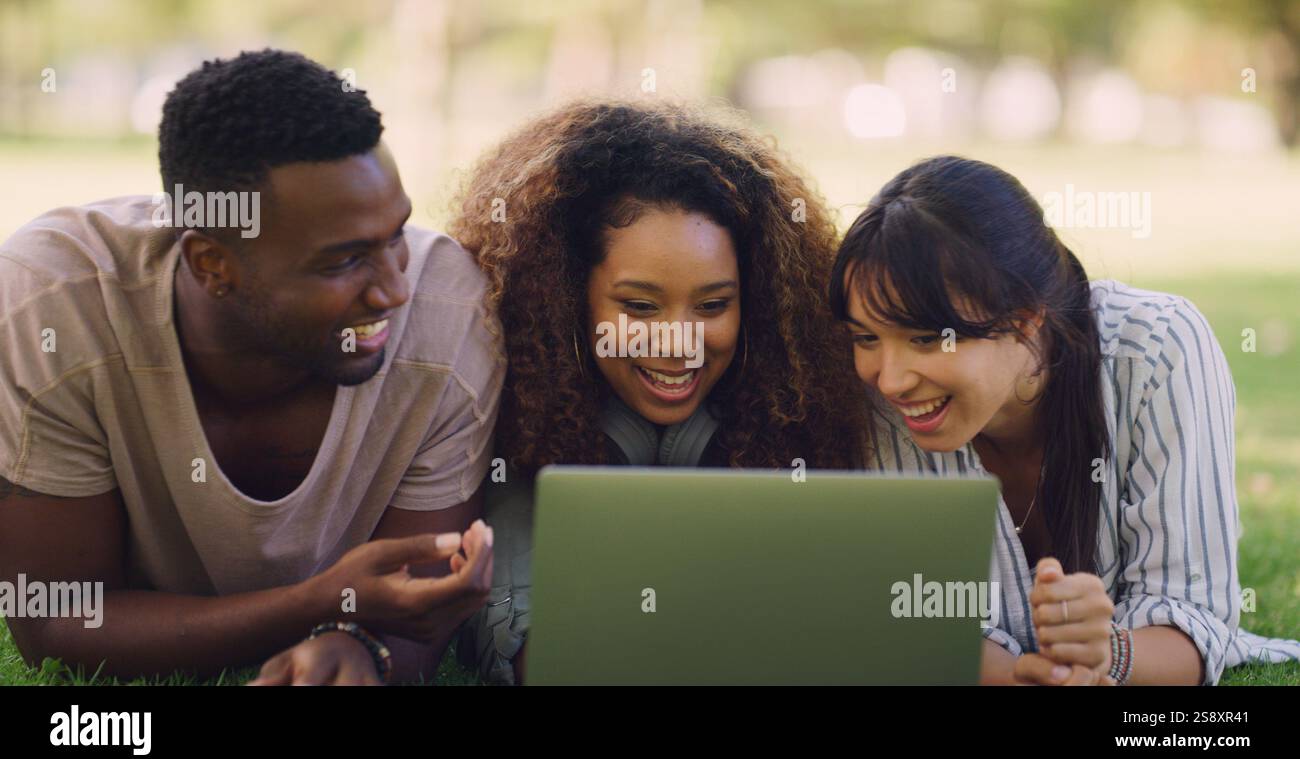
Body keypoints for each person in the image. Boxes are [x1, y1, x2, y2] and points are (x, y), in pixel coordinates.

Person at [0, 49, 501, 686]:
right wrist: (320, 603)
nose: (393, 290)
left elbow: (416, 607)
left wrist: (361, 650)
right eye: (343, 261)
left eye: (395, 235)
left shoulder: (448, 316)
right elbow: (54, 626)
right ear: (212, 264)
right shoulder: (56, 305)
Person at [829, 155, 1300, 685]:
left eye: (924, 338)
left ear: (1027, 317)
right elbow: (933, 629)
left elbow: (1193, 620)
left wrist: (1107, 656)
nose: (889, 379)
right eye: (865, 337)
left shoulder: (1159, 351)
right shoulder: (879, 403)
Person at [453, 98, 871, 684]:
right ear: (569, 296)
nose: (679, 343)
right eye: (640, 307)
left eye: (712, 305)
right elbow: (523, 635)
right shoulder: (513, 407)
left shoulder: (797, 407)